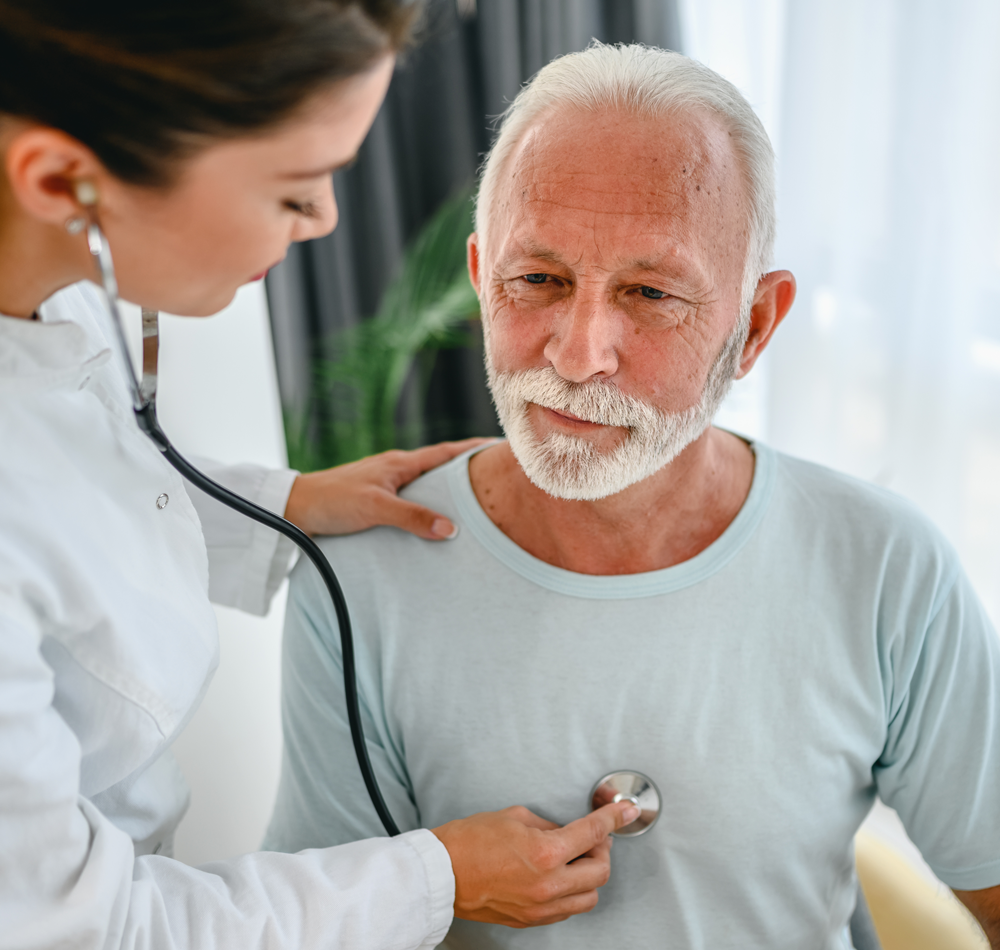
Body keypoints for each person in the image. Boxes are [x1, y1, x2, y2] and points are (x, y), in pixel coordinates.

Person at [263, 43, 1000, 949]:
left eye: (650, 293)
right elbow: (319, 924)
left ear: (755, 326)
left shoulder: (887, 567)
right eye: (537, 280)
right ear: (478, 280)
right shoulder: (361, 574)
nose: (576, 357)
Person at [0, 5, 642, 949]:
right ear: (63, 180)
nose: (328, 221)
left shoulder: (51, 294)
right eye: (297, 191)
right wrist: (438, 876)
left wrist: (287, 502)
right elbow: (83, 928)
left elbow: (76, 474)